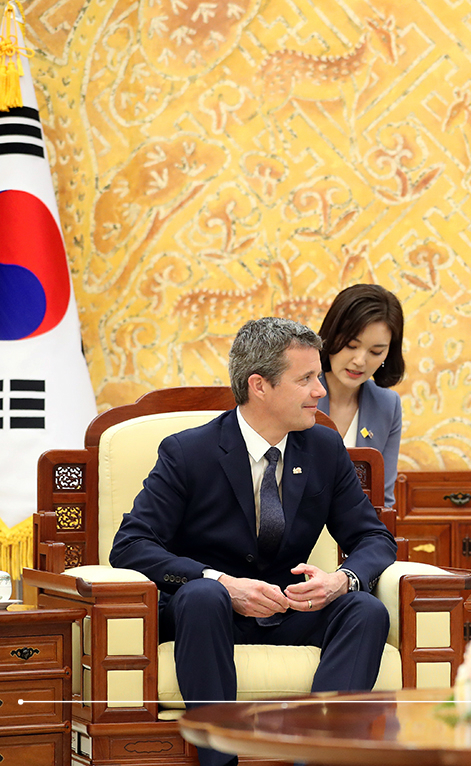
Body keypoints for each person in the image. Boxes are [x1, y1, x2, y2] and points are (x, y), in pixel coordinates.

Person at [109, 317, 397, 766]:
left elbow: (373, 537)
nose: (321, 391)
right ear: (259, 386)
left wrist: (342, 580)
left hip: (287, 607)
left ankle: (317, 756)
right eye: (305, 379)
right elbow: (130, 544)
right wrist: (222, 582)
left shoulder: (323, 448)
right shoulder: (189, 452)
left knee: (365, 608)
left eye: (317, 377)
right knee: (202, 594)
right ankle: (219, 760)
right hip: (209, 617)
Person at [316, 284, 406, 509]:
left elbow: (382, 498)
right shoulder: (296, 393)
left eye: (376, 352)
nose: (360, 361)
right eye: (351, 345)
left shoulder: (388, 405)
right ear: (330, 336)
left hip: (357, 538)